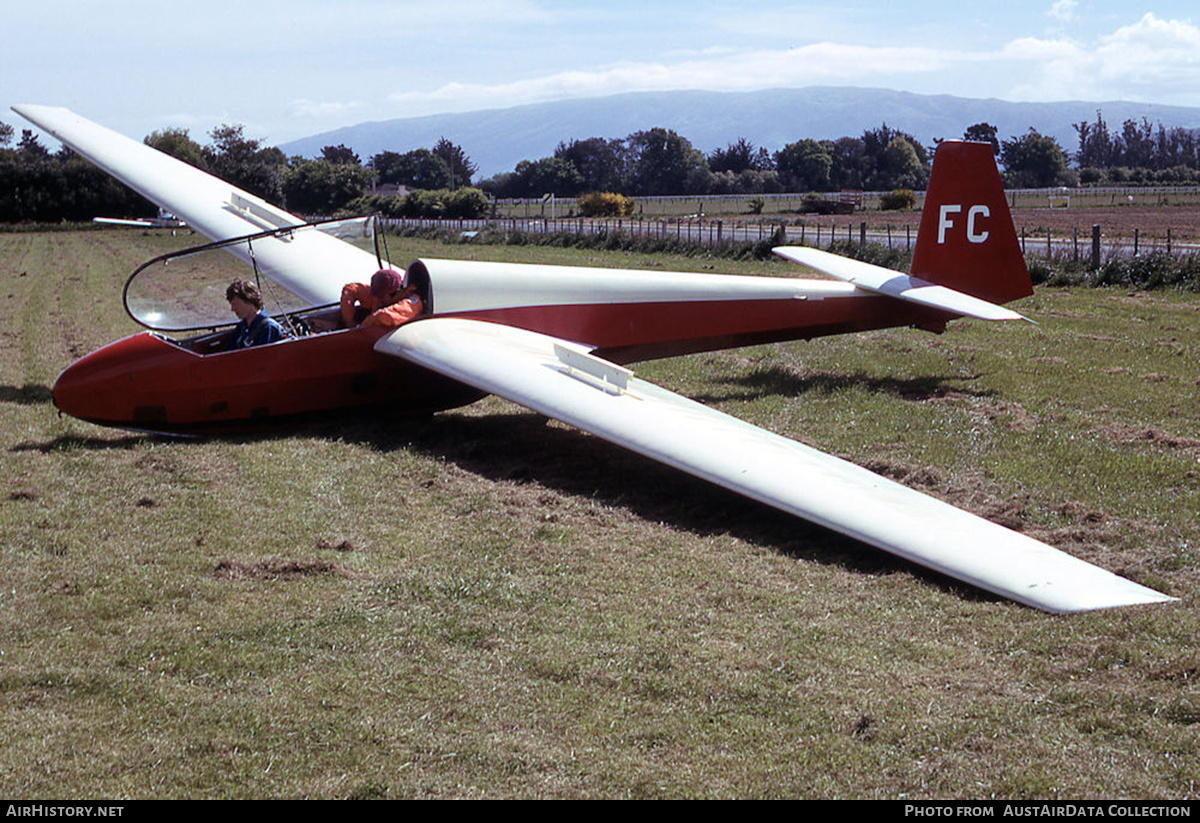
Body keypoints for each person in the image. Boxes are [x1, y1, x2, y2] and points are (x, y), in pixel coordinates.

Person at [340, 268, 423, 329]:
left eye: (381, 297)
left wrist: (360, 328)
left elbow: (383, 316)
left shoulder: (413, 304)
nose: (377, 298)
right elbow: (350, 289)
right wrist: (348, 319)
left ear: (396, 292)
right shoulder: (379, 293)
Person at [225, 279, 285, 349]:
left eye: (235, 304)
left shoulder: (268, 328)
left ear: (248, 300)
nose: (232, 309)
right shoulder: (241, 328)